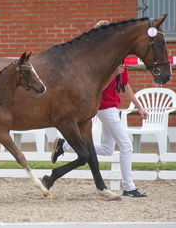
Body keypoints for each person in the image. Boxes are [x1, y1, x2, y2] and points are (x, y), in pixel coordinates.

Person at [51, 20, 149, 198]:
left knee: (107, 149)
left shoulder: (119, 59)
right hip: (104, 107)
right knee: (126, 145)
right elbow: (95, 89)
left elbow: (125, 86)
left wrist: (139, 106)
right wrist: (113, 73)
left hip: (114, 106)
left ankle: (64, 146)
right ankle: (129, 187)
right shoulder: (98, 63)